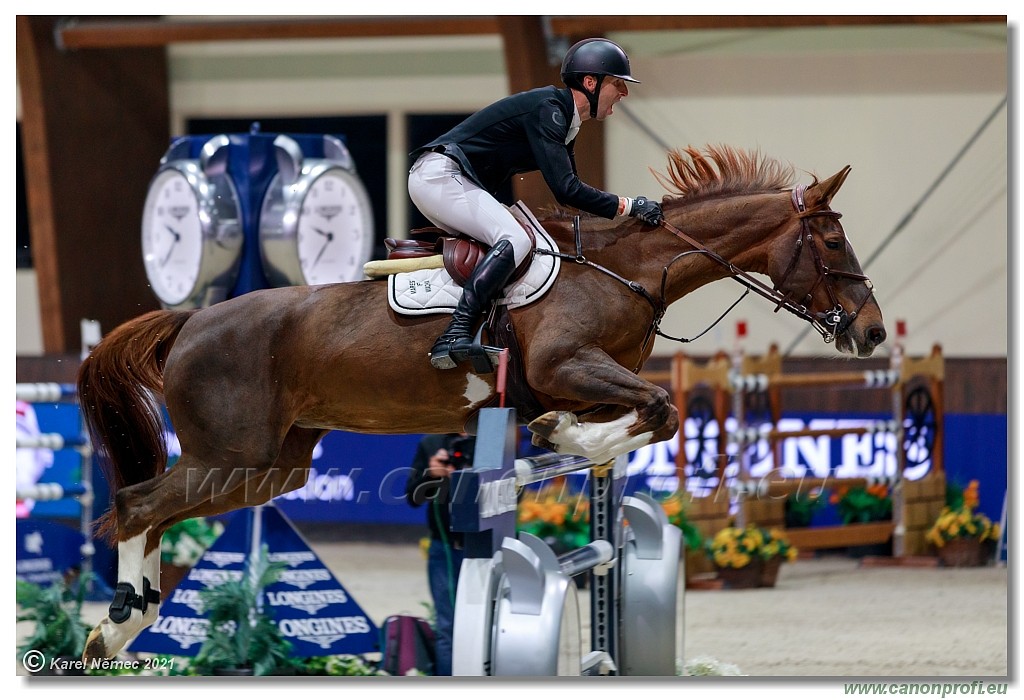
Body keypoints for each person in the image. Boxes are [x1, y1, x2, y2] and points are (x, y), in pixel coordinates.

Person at [408, 37, 664, 371]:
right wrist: (630, 205)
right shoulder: (550, 110)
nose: (624, 93)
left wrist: (623, 211)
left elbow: (571, 192)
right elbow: (568, 190)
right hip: (440, 175)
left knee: (525, 240)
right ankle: (454, 334)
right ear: (590, 83)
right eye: (618, 84)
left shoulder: (565, 122)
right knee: (515, 239)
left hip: (451, 179)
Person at [404, 432, 476, 676]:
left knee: (482, 622)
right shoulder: (432, 443)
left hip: (482, 549)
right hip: (443, 547)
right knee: (447, 625)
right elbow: (413, 497)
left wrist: (470, 474)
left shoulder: (493, 439)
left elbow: (513, 492)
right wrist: (431, 475)